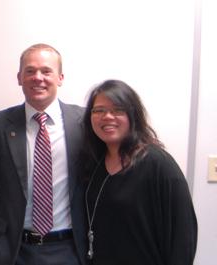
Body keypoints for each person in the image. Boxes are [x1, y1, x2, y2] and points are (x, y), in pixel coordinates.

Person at [0, 43, 87, 265]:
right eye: (30, 71)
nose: (38, 77)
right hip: (15, 251)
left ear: (60, 77)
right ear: (19, 77)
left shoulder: (84, 122)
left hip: (71, 249)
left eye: (46, 71)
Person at [81, 79, 197, 264]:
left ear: (133, 115)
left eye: (117, 110)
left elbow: (182, 236)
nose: (107, 117)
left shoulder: (159, 165)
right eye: (99, 110)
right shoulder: (94, 165)